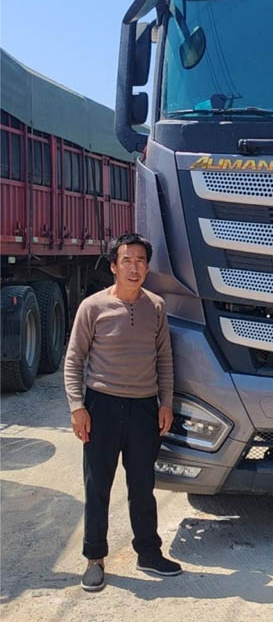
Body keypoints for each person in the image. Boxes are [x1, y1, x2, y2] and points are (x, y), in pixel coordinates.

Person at [64, 232, 182, 591]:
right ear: (114, 266)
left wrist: (165, 402)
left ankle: (148, 552)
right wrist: (77, 407)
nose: (134, 268)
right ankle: (94, 558)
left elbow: (164, 359)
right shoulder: (93, 307)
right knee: (98, 485)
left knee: (143, 485)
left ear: (147, 267)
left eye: (140, 261)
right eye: (127, 260)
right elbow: (74, 360)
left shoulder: (156, 307)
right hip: (101, 405)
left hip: (144, 408)